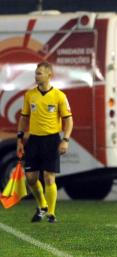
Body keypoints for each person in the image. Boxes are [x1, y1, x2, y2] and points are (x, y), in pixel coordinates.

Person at [16, 61, 73, 223]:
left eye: (39, 73)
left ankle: (52, 213)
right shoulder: (30, 95)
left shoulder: (59, 96)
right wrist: (20, 139)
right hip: (34, 140)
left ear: (49, 75)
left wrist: (65, 140)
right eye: (36, 73)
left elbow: (68, 120)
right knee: (31, 178)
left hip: (52, 139)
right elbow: (23, 118)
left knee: (49, 177)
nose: (36, 75)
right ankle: (42, 205)